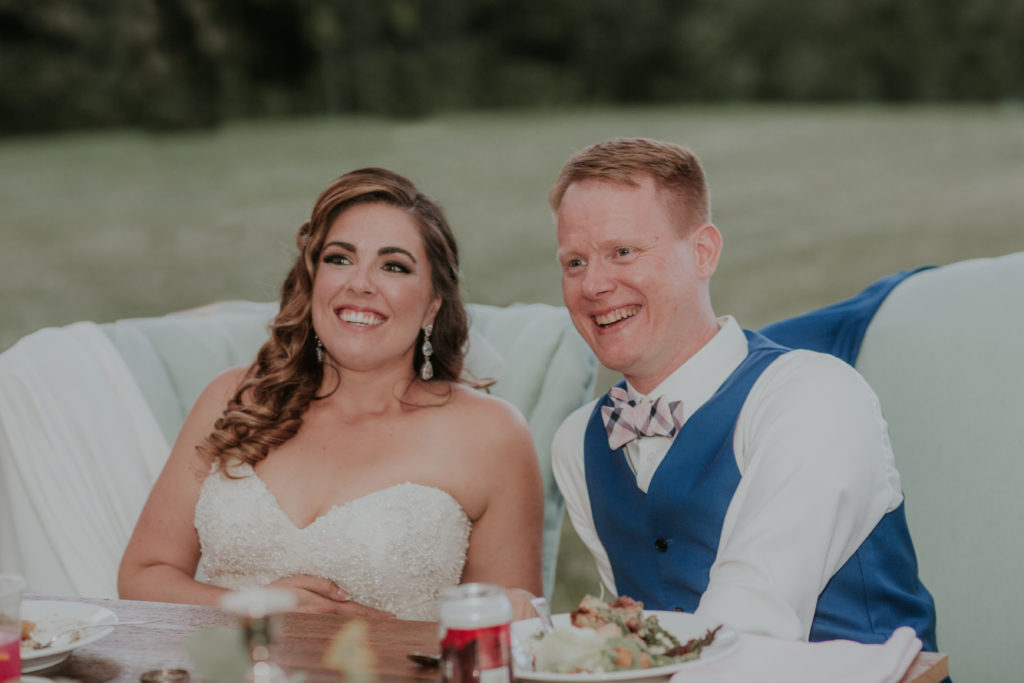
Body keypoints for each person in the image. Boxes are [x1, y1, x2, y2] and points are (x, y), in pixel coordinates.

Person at [549, 137, 938, 648]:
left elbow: (751, 621)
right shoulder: (578, 443)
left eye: (623, 252)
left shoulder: (813, 397)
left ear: (703, 252)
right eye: (575, 263)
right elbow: (641, 637)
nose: (593, 285)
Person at [118, 168, 544, 620]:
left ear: (432, 306)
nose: (359, 283)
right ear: (313, 280)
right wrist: (256, 609)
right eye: (339, 259)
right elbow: (142, 576)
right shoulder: (234, 398)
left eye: (393, 266)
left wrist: (380, 639)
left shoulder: (490, 434)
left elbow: (514, 633)